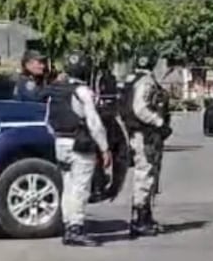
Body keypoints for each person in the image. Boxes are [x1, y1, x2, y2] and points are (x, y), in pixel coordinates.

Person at [43, 52, 112, 247]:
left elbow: (47, 120)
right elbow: (94, 122)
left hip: (60, 143)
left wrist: (58, 136)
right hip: (80, 144)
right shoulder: (83, 92)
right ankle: (76, 228)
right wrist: (104, 148)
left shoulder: (55, 90)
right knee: (81, 187)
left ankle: (68, 225)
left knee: (67, 186)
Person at [120, 52, 172, 238]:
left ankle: (145, 217)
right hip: (145, 134)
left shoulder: (132, 78)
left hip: (137, 133)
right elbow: (140, 108)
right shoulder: (146, 81)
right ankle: (140, 219)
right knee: (145, 175)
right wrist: (159, 123)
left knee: (146, 174)